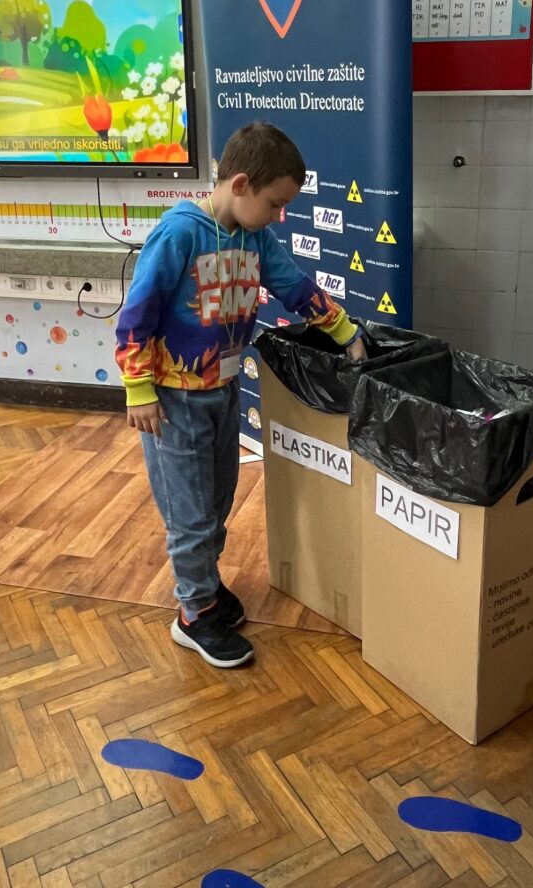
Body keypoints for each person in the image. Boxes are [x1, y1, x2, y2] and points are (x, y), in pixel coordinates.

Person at [115, 122, 366, 668]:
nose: (279, 215)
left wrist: (345, 331)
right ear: (242, 184)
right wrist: (138, 388)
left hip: (223, 391)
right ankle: (194, 613)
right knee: (189, 514)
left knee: (218, 498)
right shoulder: (179, 235)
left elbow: (295, 287)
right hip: (173, 401)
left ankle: (205, 584)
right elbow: (137, 315)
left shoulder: (256, 239)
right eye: (276, 203)